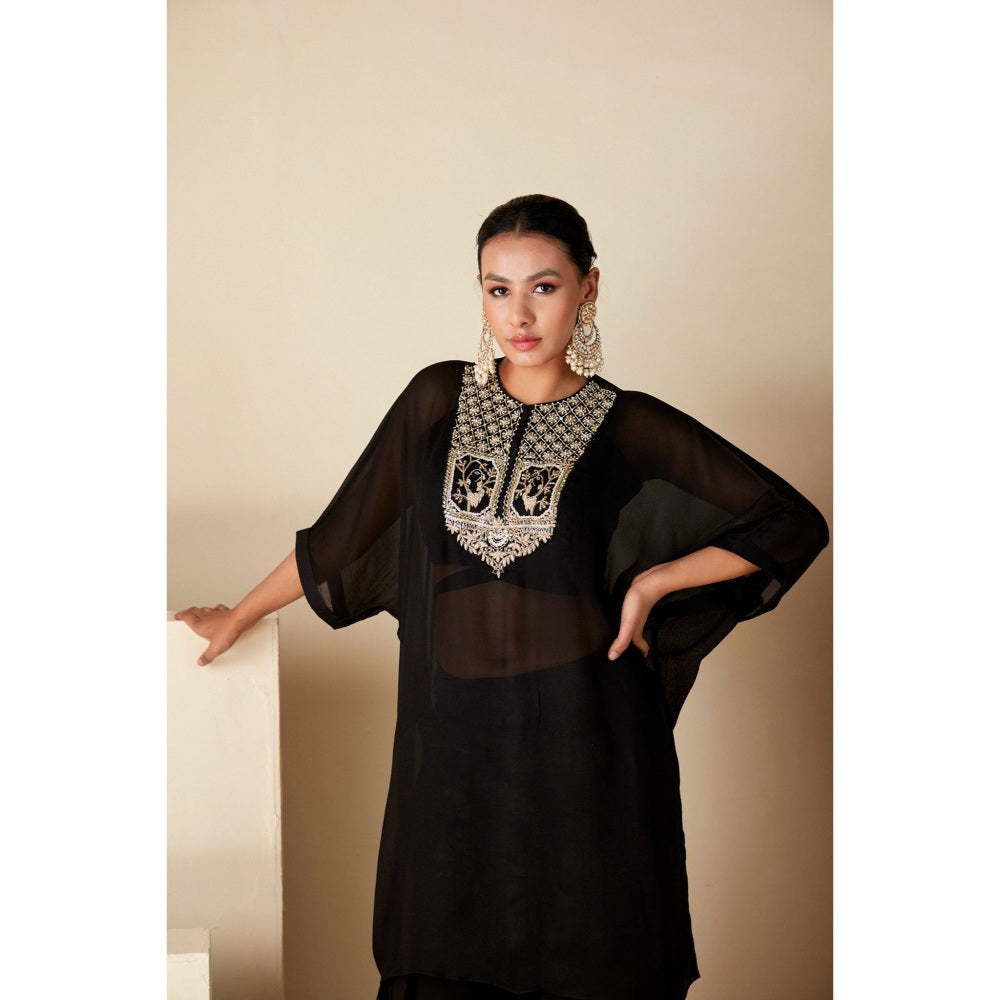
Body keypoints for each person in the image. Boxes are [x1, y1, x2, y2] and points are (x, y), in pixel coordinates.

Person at [176, 194, 829, 1000]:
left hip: (588, 742)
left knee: (592, 957)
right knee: (442, 953)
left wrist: (656, 581)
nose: (519, 314)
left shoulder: (628, 425)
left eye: (544, 287)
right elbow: (343, 535)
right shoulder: (436, 398)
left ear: (588, 287)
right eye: (498, 289)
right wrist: (238, 613)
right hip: (453, 743)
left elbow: (791, 522)